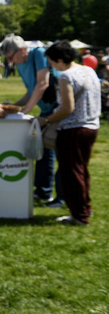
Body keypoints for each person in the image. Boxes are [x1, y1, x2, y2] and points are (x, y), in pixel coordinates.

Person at [41, 41, 101, 225]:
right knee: (82, 170)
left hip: (72, 129)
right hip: (92, 127)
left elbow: (67, 108)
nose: (51, 66)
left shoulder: (66, 76)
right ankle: (85, 208)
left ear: (60, 60)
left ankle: (79, 215)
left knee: (71, 173)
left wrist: (47, 120)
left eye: (52, 62)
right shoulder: (89, 70)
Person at [0, 34, 63, 206]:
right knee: (43, 150)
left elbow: (42, 83)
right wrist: (14, 106)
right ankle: (43, 192)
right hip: (46, 109)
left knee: (60, 151)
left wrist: (25, 111)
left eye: (11, 57)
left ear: (21, 50)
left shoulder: (40, 53)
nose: (11, 62)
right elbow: (30, 92)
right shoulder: (21, 63)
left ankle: (59, 196)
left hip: (59, 107)